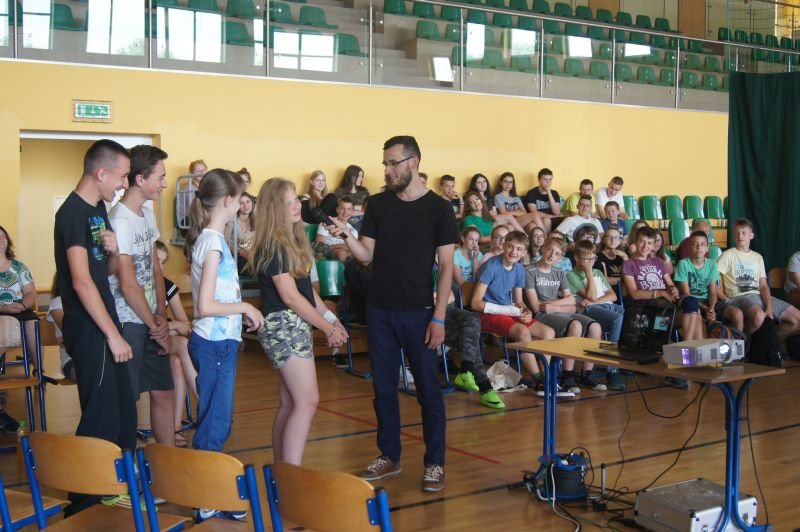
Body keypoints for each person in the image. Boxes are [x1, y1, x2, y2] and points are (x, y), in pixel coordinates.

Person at [327, 135, 457, 493]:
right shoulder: (380, 204)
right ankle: (389, 455)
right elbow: (366, 255)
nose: (386, 170)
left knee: (428, 391)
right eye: (385, 163)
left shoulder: (439, 209)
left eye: (392, 163)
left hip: (421, 314)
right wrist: (347, 234)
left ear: (413, 162)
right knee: (383, 389)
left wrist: (439, 318)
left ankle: (435, 463)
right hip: (380, 310)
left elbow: (447, 266)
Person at [54, 139, 136, 514]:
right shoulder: (72, 213)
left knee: (123, 412)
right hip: (90, 329)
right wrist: (113, 335)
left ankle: (112, 486)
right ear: (101, 173)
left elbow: (102, 273)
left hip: (105, 322)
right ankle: (83, 502)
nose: (124, 184)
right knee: (100, 414)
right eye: (122, 176)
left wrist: (114, 251)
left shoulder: (98, 211)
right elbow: (81, 281)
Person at [184, 168, 264, 524]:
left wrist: (237, 314)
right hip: (214, 344)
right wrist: (245, 307)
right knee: (214, 424)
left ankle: (212, 492)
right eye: (241, 197)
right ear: (229, 200)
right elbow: (205, 305)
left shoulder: (211, 239)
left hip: (219, 342)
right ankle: (206, 496)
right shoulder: (214, 243)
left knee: (217, 420)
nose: (243, 203)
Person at [251, 178, 348, 466]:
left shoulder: (292, 240)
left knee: (291, 402)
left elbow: (306, 291)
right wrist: (327, 329)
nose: (297, 206)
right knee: (307, 401)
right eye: (289, 202)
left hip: (292, 324)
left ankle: (282, 470)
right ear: (274, 208)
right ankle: (290, 474)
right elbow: (291, 297)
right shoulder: (274, 245)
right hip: (284, 325)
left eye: (296, 200)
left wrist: (331, 318)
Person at [107, 145, 174, 447]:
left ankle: (169, 458)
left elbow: (155, 268)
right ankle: (126, 462)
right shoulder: (119, 220)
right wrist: (153, 325)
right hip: (129, 322)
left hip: (150, 319)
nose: (164, 183)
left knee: (163, 390)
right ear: (140, 179)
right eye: (160, 177)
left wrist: (161, 314)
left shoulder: (147, 214)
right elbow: (128, 284)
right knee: (128, 396)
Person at [470, 231, 561, 395]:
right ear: (504, 246)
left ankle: (546, 377)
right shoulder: (491, 266)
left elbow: (519, 301)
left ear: (524, 252)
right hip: (487, 314)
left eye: (519, 249)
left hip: (509, 312)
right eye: (510, 247)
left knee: (548, 332)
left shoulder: (519, 269)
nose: (513, 252)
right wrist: (508, 310)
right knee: (523, 332)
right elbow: (475, 303)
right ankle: (539, 381)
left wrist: (525, 312)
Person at [524, 237, 607, 392]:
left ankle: (587, 373)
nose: (551, 255)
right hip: (541, 316)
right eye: (550, 250)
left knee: (595, 327)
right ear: (543, 248)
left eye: (557, 253)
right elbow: (536, 306)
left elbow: (572, 304)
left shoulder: (560, 273)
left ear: (561, 258)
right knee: (575, 325)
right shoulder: (529, 271)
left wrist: (554, 306)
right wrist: (562, 303)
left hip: (558, 312)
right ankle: (568, 375)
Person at [622, 226, 693, 389]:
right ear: (635, 242)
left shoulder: (659, 263)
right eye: (642, 242)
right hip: (644, 309)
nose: (645, 246)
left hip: (666, 307)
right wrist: (659, 293)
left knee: (692, 313)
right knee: (663, 316)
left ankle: (685, 363)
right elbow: (634, 294)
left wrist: (673, 289)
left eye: (649, 243)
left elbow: (669, 284)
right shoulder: (629, 264)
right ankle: (677, 369)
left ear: (654, 245)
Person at [717, 218, 800, 338]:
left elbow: (763, 285)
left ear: (751, 235)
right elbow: (713, 281)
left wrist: (769, 307)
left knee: (797, 320)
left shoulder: (758, 257)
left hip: (759, 296)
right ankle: (744, 343)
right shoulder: (728, 255)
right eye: (737, 233)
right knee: (758, 316)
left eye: (744, 232)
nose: (740, 236)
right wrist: (726, 300)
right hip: (739, 297)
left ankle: (766, 341)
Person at [154, 241, 198, 448]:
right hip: (143, 343)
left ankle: (175, 425)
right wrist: (175, 327)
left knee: (177, 363)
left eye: (163, 262)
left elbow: (185, 325)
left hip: (164, 340)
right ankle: (205, 402)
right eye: (156, 261)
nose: (160, 266)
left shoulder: (167, 286)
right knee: (182, 345)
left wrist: (173, 327)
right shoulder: (137, 285)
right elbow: (145, 328)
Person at [567, 240, 626, 391]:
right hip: (588, 310)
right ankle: (612, 368)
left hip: (604, 306)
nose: (591, 262)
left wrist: (595, 301)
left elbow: (613, 296)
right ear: (577, 258)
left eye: (593, 258)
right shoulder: (572, 275)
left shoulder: (598, 273)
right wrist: (588, 272)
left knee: (630, 315)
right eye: (586, 259)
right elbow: (591, 296)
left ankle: (623, 355)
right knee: (618, 318)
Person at [0, 224, 38, 433]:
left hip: (19, 308)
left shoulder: (18, 267)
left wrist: (23, 305)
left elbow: (30, 292)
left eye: (3, 236)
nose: (0, 239)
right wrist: (3, 307)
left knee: (33, 322)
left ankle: (38, 370)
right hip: (0, 310)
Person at [674, 231, 744, 334]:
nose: (699, 247)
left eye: (702, 244)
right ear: (690, 247)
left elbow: (712, 291)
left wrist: (711, 308)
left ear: (707, 248)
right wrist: (705, 308)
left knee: (737, 314)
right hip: (692, 303)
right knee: (699, 319)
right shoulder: (683, 264)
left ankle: (739, 342)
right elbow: (686, 293)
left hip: (710, 302)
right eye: (695, 244)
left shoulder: (712, 264)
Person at [462, 191, 527, 246]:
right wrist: (498, 237)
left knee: (510, 226)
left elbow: (508, 217)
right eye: (471, 202)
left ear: (481, 200)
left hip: (494, 235)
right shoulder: (468, 219)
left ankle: (525, 239)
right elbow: (482, 239)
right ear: (469, 207)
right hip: (487, 243)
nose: (476, 202)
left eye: (477, 199)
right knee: (508, 229)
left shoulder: (486, 215)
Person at [314, 196, 358, 262]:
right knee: (342, 253)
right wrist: (343, 246)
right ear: (337, 209)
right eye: (342, 208)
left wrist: (333, 246)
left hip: (343, 253)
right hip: (326, 253)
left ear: (352, 212)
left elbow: (353, 249)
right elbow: (319, 246)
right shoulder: (326, 223)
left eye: (349, 209)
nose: (345, 212)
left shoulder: (353, 231)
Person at [524, 168, 562, 232]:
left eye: (550, 179)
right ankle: (545, 238)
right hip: (538, 219)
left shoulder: (554, 193)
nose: (548, 182)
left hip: (552, 219)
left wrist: (549, 192)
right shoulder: (531, 193)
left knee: (547, 220)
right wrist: (551, 216)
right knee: (545, 220)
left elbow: (557, 213)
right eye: (545, 179)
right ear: (539, 180)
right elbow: (534, 213)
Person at [334, 164, 369, 229]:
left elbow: (369, 208)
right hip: (348, 221)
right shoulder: (340, 191)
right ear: (351, 176)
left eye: (362, 176)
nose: (361, 179)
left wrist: (356, 209)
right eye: (359, 176)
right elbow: (343, 212)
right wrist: (359, 209)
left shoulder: (364, 191)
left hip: (364, 219)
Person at [235, 192, 256, 272]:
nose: (246, 206)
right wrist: (241, 252)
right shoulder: (232, 222)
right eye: (241, 203)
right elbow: (226, 244)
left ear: (252, 203)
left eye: (248, 202)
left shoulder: (257, 221)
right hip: (237, 259)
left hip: (253, 258)